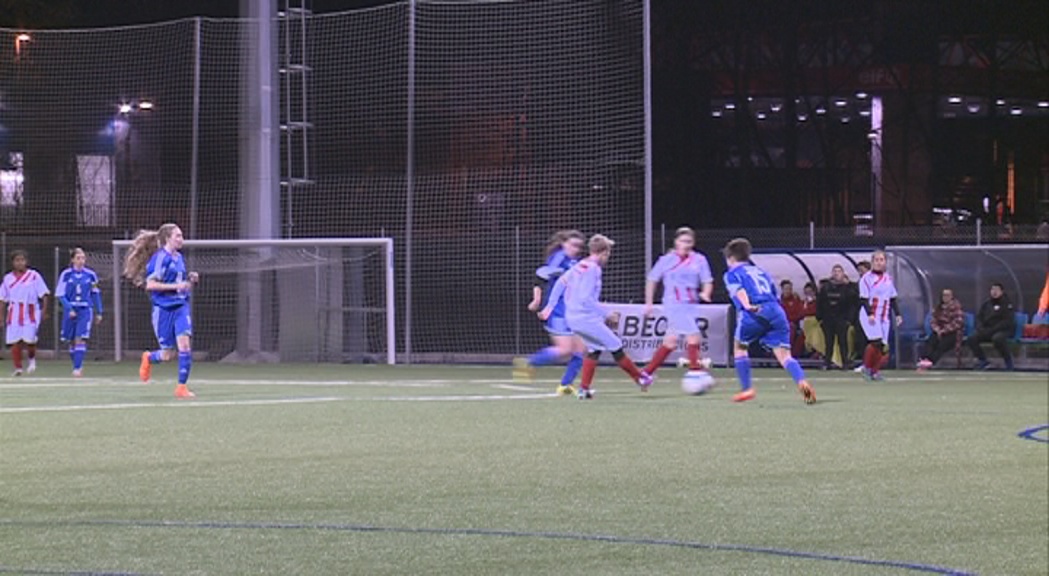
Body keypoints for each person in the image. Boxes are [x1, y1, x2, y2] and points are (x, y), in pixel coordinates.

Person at [540, 234, 652, 399]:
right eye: (608, 252)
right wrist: (607, 314)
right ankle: (640, 379)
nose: (609, 256)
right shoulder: (594, 269)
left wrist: (550, 306)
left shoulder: (580, 265)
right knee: (615, 344)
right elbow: (587, 299)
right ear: (604, 252)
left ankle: (584, 389)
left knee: (594, 348)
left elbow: (560, 282)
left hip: (572, 317)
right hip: (585, 318)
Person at [722, 238, 816, 404]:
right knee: (785, 356)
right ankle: (804, 385)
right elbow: (775, 293)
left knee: (740, 348)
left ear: (730, 258)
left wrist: (747, 305)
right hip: (776, 310)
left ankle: (747, 389)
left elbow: (739, 290)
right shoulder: (760, 271)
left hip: (754, 311)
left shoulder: (732, 274)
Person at [122, 223, 200, 398]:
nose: (182, 239)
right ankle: (148, 358)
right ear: (167, 238)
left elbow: (179, 282)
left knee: (185, 345)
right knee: (167, 355)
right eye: (178, 236)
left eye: (181, 235)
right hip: (163, 310)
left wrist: (190, 279)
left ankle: (181, 387)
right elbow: (150, 285)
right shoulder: (159, 258)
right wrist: (176, 286)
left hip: (180, 307)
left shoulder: (179, 258)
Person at [515, 230, 587, 395]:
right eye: (573, 245)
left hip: (572, 310)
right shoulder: (559, 257)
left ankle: (565, 385)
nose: (576, 249)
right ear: (564, 243)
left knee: (581, 349)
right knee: (565, 350)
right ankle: (528, 362)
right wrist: (537, 300)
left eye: (579, 246)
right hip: (557, 311)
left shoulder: (574, 261)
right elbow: (540, 277)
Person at [642, 227, 714, 377]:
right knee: (693, 336)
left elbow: (707, 280)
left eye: (688, 241)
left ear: (693, 243)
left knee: (670, 341)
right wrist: (648, 303)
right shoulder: (666, 260)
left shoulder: (699, 260)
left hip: (692, 305)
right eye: (682, 241)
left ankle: (646, 374)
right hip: (673, 303)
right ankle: (695, 373)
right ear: (676, 242)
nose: (685, 244)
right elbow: (652, 280)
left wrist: (706, 292)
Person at [0, 250, 51, 376]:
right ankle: (18, 368)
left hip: (31, 312)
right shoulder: (8, 278)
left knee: (30, 340)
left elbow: (44, 294)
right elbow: (2, 298)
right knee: (14, 341)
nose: (20, 263)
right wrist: (1, 316)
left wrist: (44, 311)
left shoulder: (34, 276)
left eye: (22, 260)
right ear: (13, 262)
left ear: (26, 261)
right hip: (14, 313)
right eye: (17, 260)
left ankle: (32, 360)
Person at [56, 248, 104, 377]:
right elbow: (60, 295)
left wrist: (99, 311)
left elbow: (95, 293)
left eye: (83, 258)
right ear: (72, 260)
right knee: (70, 340)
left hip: (85, 310)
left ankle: (77, 369)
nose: (81, 261)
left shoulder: (90, 275)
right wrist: (69, 309)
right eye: (78, 258)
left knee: (80, 338)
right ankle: (77, 364)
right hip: (70, 310)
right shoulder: (66, 275)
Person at [857, 250, 902, 381]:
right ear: (872, 262)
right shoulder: (866, 278)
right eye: (876, 260)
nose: (879, 262)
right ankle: (866, 367)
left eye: (881, 260)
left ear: (885, 262)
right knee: (875, 341)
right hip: (869, 314)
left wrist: (898, 314)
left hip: (884, 316)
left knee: (883, 347)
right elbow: (864, 299)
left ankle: (874, 372)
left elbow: (892, 298)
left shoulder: (888, 278)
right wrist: (870, 313)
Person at [965, 283, 1017, 371]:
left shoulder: (1007, 304)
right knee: (971, 339)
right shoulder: (986, 304)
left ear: (1002, 292)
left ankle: (1008, 362)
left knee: (998, 339)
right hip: (987, 330)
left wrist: (992, 330)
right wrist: (980, 328)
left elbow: (1007, 321)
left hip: (1003, 330)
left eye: (997, 290)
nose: (994, 292)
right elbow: (979, 317)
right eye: (992, 290)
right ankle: (983, 361)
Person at [917, 288, 964, 370]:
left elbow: (958, 323)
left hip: (952, 333)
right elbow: (933, 321)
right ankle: (925, 359)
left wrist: (944, 330)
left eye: (947, 295)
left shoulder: (956, 308)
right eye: (944, 295)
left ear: (952, 296)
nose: (945, 297)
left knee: (942, 345)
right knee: (931, 341)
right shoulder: (938, 308)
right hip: (939, 332)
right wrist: (937, 329)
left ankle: (931, 361)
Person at [817, 265, 853, 369]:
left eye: (839, 271)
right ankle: (827, 362)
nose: (836, 273)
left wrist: (849, 320)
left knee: (843, 341)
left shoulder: (847, 288)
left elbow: (852, 303)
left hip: (842, 319)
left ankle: (845, 363)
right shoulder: (826, 287)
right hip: (828, 319)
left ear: (843, 274)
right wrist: (820, 318)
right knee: (828, 342)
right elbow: (820, 303)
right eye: (835, 271)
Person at [850, 260, 872, 369]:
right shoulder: (859, 284)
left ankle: (872, 363)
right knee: (861, 339)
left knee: (872, 340)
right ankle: (865, 363)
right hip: (861, 315)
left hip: (871, 315)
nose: (860, 273)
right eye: (859, 271)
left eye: (862, 270)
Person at [779, 280, 806, 357]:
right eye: (786, 289)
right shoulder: (778, 301)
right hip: (781, 324)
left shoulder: (796, 300)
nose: (788, 291)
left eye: (790, 289)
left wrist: (791, 320)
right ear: (782, 289)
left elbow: (800, 313)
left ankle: (792, 354)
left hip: (793, 324)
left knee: (793, 330)